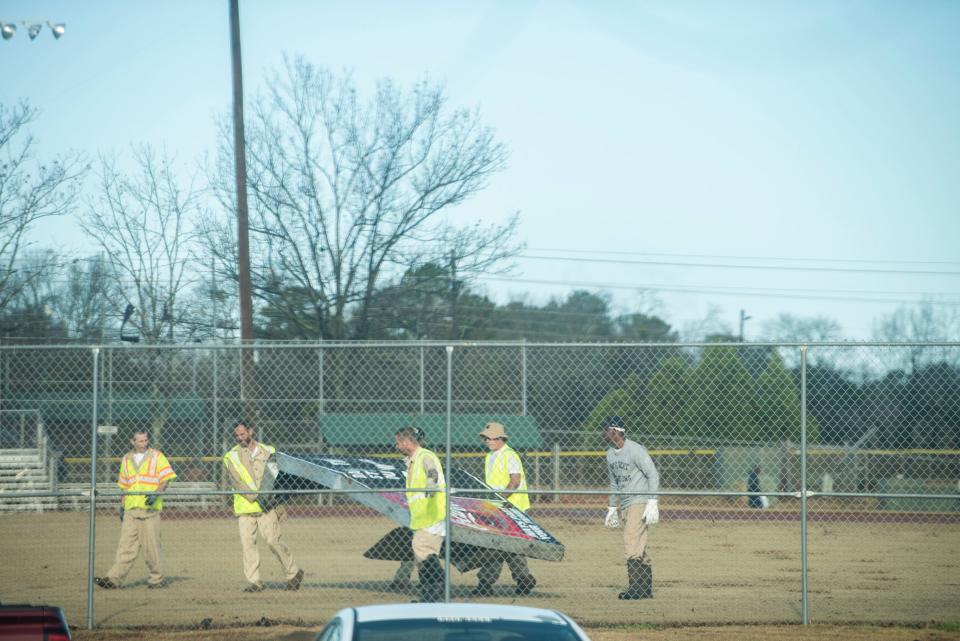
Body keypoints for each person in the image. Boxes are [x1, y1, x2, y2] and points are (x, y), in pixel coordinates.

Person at [222, 420, 304, 593]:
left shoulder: (270, 451)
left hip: (268, 507)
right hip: (246, 507)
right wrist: (257, 498)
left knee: (274, 541)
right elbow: (238, 483)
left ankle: (293, 572)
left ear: (251, 431)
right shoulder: (231, 456)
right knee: (248, 545)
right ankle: (255, 582)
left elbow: (278, 480)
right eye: (236, 435)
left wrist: (279, 504)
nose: (239, 438)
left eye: (242, 434)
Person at [95, 430, 176, 589]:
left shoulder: (157, 456)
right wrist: (122, 506)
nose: (144, 444)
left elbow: (166, 478)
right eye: (140, 441)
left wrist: (156, 494)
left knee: (151, 547)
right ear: (132, 442)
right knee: (125, 546)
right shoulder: (126, 459)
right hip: (131, 509)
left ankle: (156, 580)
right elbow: (124, 485)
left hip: (149, 509)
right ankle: (114, 579)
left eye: (145, 440)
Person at [473, 421, 537, 596]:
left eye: (491, 438)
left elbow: (515, 481)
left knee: (506, 545)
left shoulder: (510, 455)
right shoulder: (489, 456)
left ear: (500, 438)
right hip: (496, 507)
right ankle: (521, 579)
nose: (487, 441)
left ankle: (489, 582)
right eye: (485, 438)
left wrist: (500, 499)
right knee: (499, 545)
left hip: (512, 507)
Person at [602, 415, 659, 600]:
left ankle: (635, 588)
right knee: (638, 544)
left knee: (630, 540)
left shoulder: (635, 450)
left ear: (616, 431)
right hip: (625, 503)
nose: (604, 433)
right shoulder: (610, 454)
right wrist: (612, 507)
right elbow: (613, 483)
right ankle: (645, 589)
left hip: (639, 500)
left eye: (607, 429)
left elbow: (653, 475)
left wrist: (652, 501)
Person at [395, 425, 446, 602]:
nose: (396, 446)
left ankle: (439, 587)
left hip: (432, 513)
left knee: (422, 549)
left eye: (398, 442)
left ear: (407, 441)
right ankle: (429, 595)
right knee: (423, 553)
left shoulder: (425, 455)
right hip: (423, 516)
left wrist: (431, 483)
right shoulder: (412, 460)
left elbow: (432, 470)